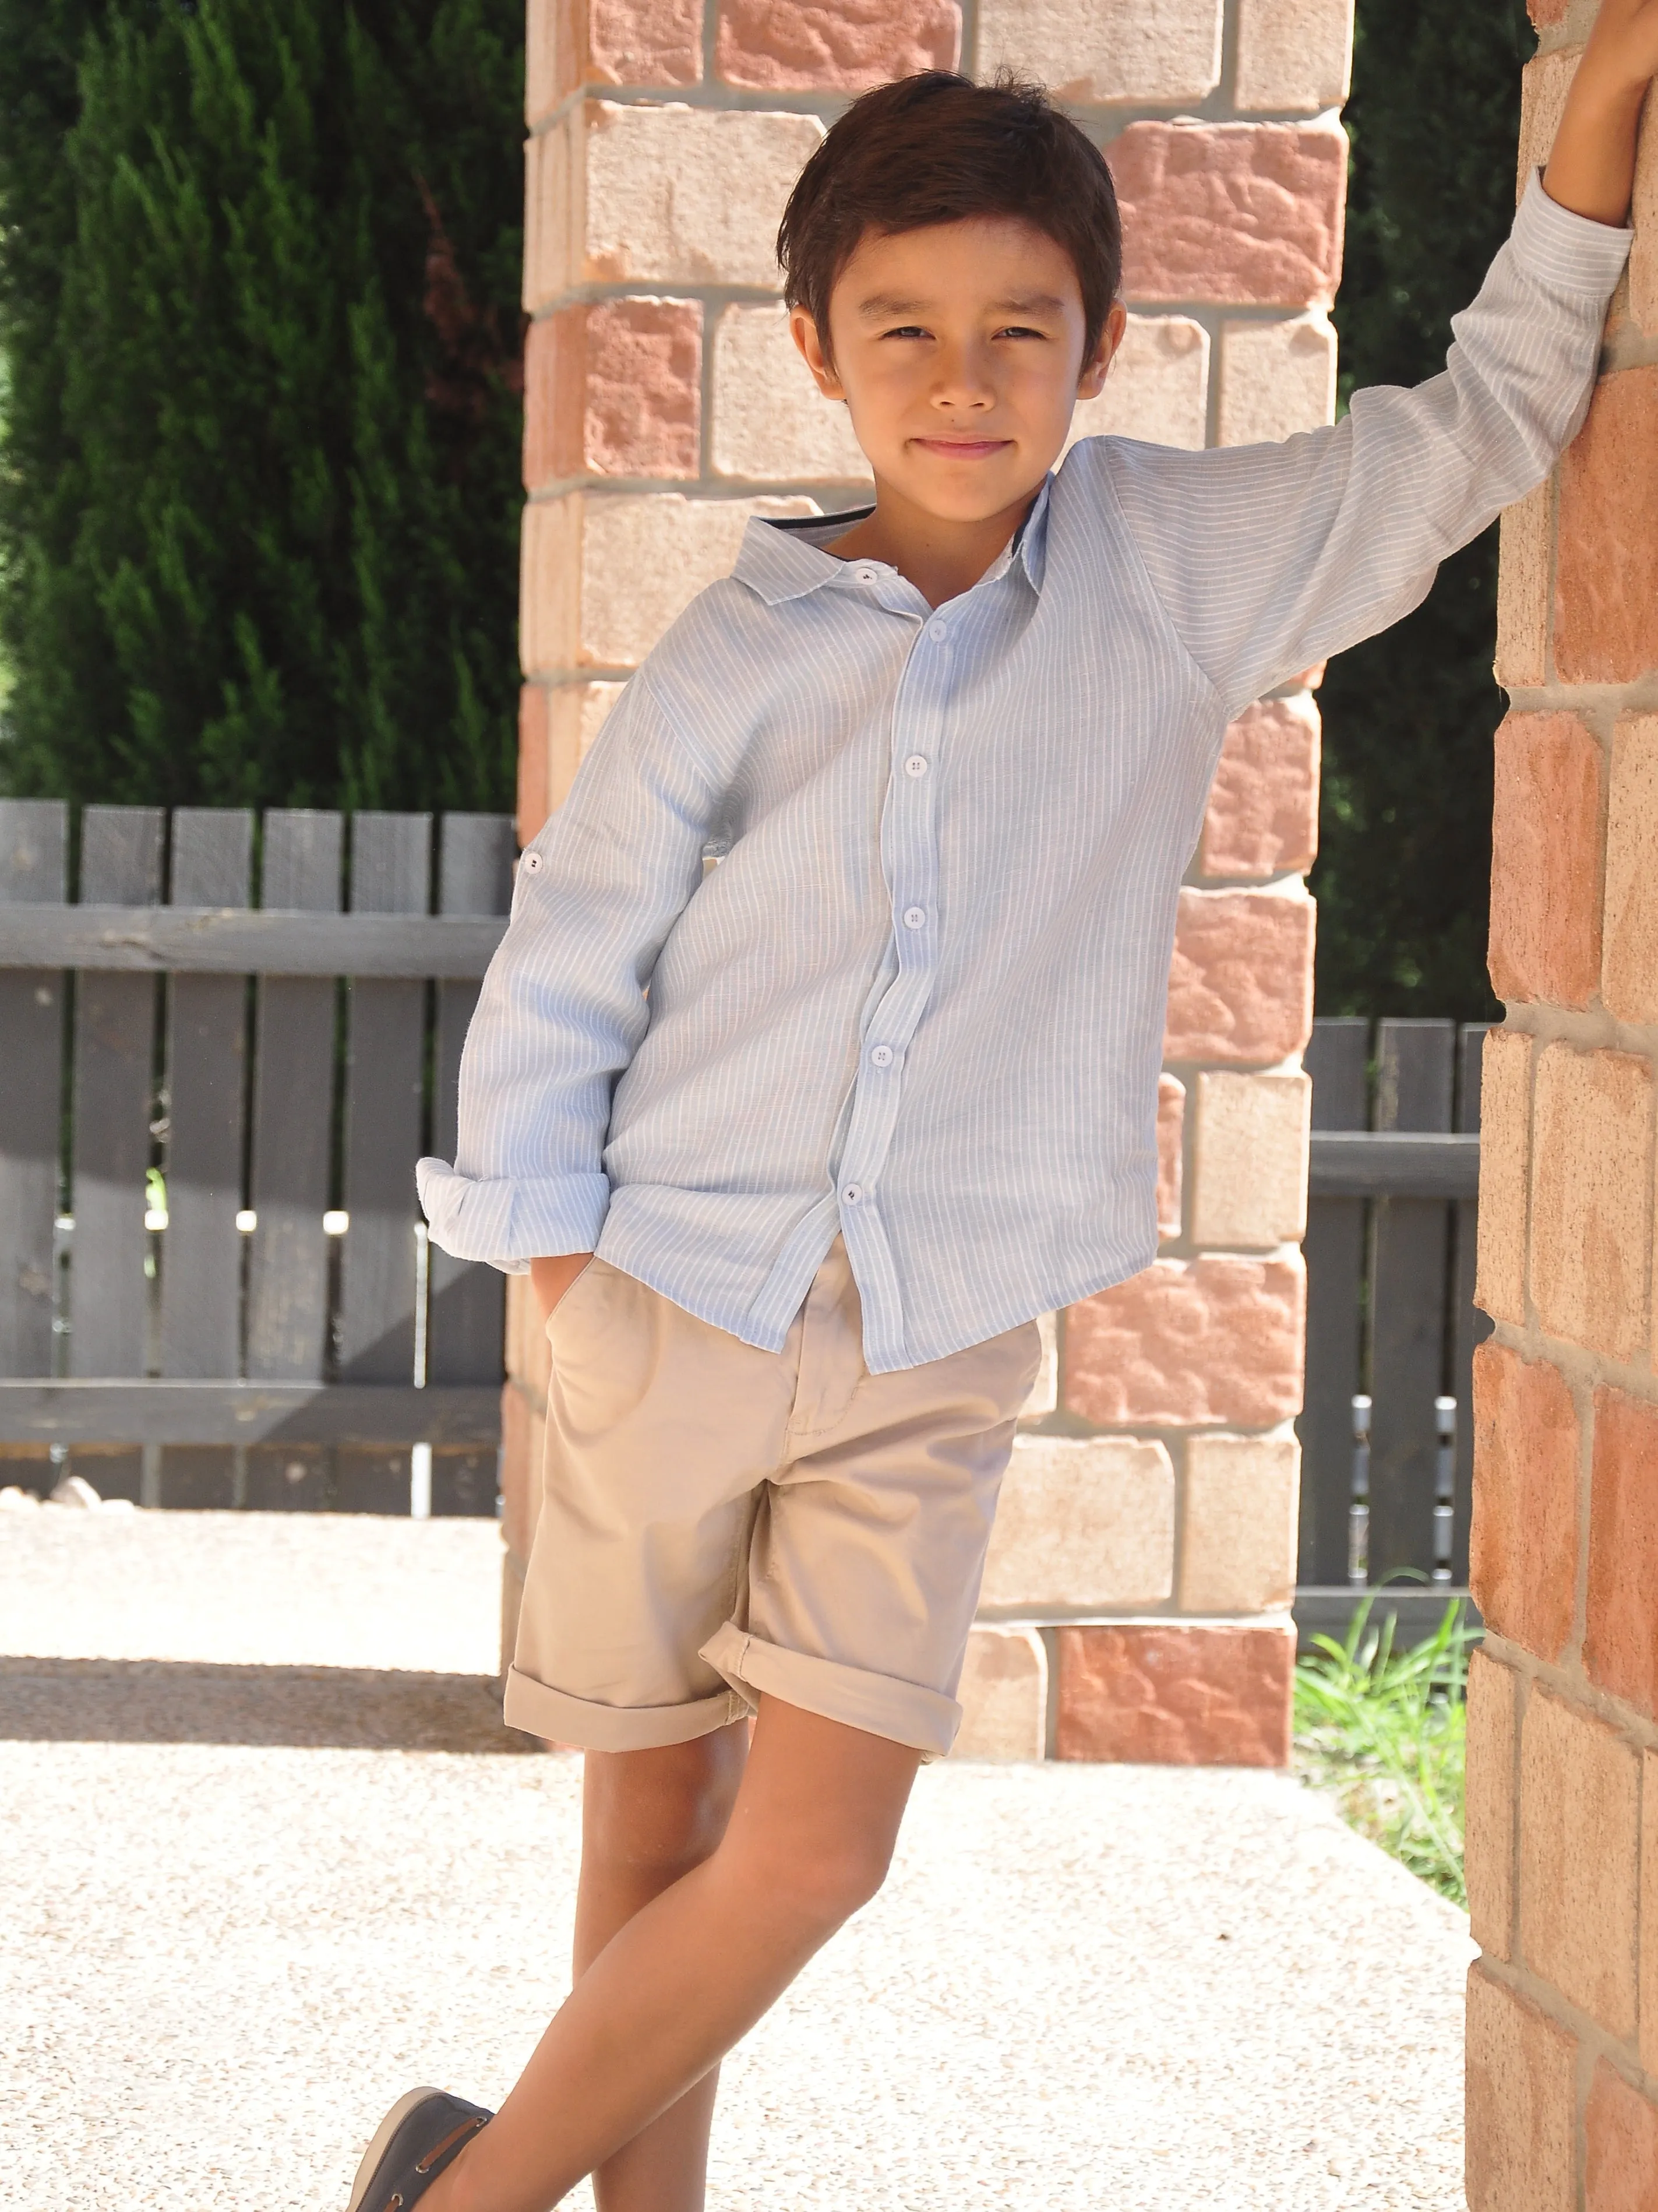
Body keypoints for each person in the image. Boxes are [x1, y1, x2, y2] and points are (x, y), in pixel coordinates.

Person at [350, 12, 1656, 2209]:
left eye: (1017, 333)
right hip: (660, 1296)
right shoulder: (739, 643)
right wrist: (562, 1278)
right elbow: (569, 950)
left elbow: (1476, 431)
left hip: (927, 1337)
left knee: (815, 1853)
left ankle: (460, 2199)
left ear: (1101, 343)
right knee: (650, 1829)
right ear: (814, 348)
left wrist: (1600, 116)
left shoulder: (1168, 573)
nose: (964, 380)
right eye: (906, 331)